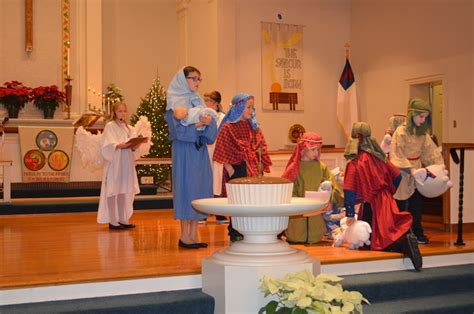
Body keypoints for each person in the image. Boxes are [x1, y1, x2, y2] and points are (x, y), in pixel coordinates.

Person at [343, 121, 422, 271]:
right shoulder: (381, 158)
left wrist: (350, 213)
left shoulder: (354, 163)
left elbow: (349, 189)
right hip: (387, 200)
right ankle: (405, 240)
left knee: (374, 240)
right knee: (388, 231)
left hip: (371, 205)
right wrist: (388, 193)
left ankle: (404, 243)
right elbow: (397, 176)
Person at [165, 66, 217, 249]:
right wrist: (197, 125)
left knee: (198, 189)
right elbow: (177, 132)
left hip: (199, 151)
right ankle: (184, 235)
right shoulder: (174, 103)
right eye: (193, 78)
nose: (197, 82)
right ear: (182, 79)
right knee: (186, 190)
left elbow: (209, 137)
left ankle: (194, 234)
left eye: (199, 79)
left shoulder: (198, 101)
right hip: (184, 151)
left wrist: (209, 123)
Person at [213, 93, 272, 242]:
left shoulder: (253, 127)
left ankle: (251, 229)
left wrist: (261, 163)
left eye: (253, 107)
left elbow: (261, 146)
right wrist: (231, 171)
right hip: (237, 168)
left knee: (253, 201)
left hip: (253, 168)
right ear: (239, 107)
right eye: (248, 107)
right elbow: (221, 150)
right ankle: (235, 230)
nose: (251, 110)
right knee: (238, 202)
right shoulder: (227, 128)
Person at [390, 98, 445, 245]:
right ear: (411, 114)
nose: (423, 120)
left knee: (416, 205)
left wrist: (439, 168)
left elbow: (431, 153)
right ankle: (401, 234)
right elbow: (397, 155)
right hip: (400, 174)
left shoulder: (423, 135)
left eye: (425, 117)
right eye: (421, 116)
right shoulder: (400, 132)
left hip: (417, 174)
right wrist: (410, 170)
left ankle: (418, 232)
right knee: (400, 205)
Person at [281, 132, 344, 243]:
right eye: (313, 149)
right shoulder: (294, 168)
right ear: (303, 149)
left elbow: (332, 185)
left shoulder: (321, 167)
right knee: (297, 232)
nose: (317, 153)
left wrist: (329, 199)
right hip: (298, 214)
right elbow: (287, 188)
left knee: (315, 230)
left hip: (317, 212)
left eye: (319, 150)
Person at [97, 102, 148, 230]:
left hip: (126, 162)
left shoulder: (129, 128)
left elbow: (132, 148)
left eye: (124, 111)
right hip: (115, 162)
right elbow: (108, 145)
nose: (122, 114)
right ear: (114, 113)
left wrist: (139, 142)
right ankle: (113, 221)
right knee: (113, 190)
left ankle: (123, 219)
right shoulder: (110, 126)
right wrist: (121, 145)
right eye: (119, 111)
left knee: (123, 190)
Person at [202, 91, 228, 224]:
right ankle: (203, 213)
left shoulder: (222, 118)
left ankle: (219, 213)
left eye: (208, 101)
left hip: (218, 152)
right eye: (205, 100)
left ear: (216, 104)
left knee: (218, 181)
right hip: (205, 151)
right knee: (205, 180)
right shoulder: (202, 116)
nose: (205, 103)